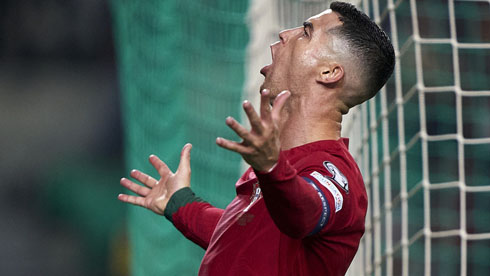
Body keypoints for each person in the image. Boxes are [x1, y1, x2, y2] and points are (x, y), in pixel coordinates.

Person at [118, 1, 395, 275]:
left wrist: (273, 168)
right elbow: (245, 239)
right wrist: (180, 204)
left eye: (306, 32)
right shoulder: (280, 168)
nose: (285, 34)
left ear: (329, 72)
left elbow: (304, 212)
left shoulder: (336, 177)